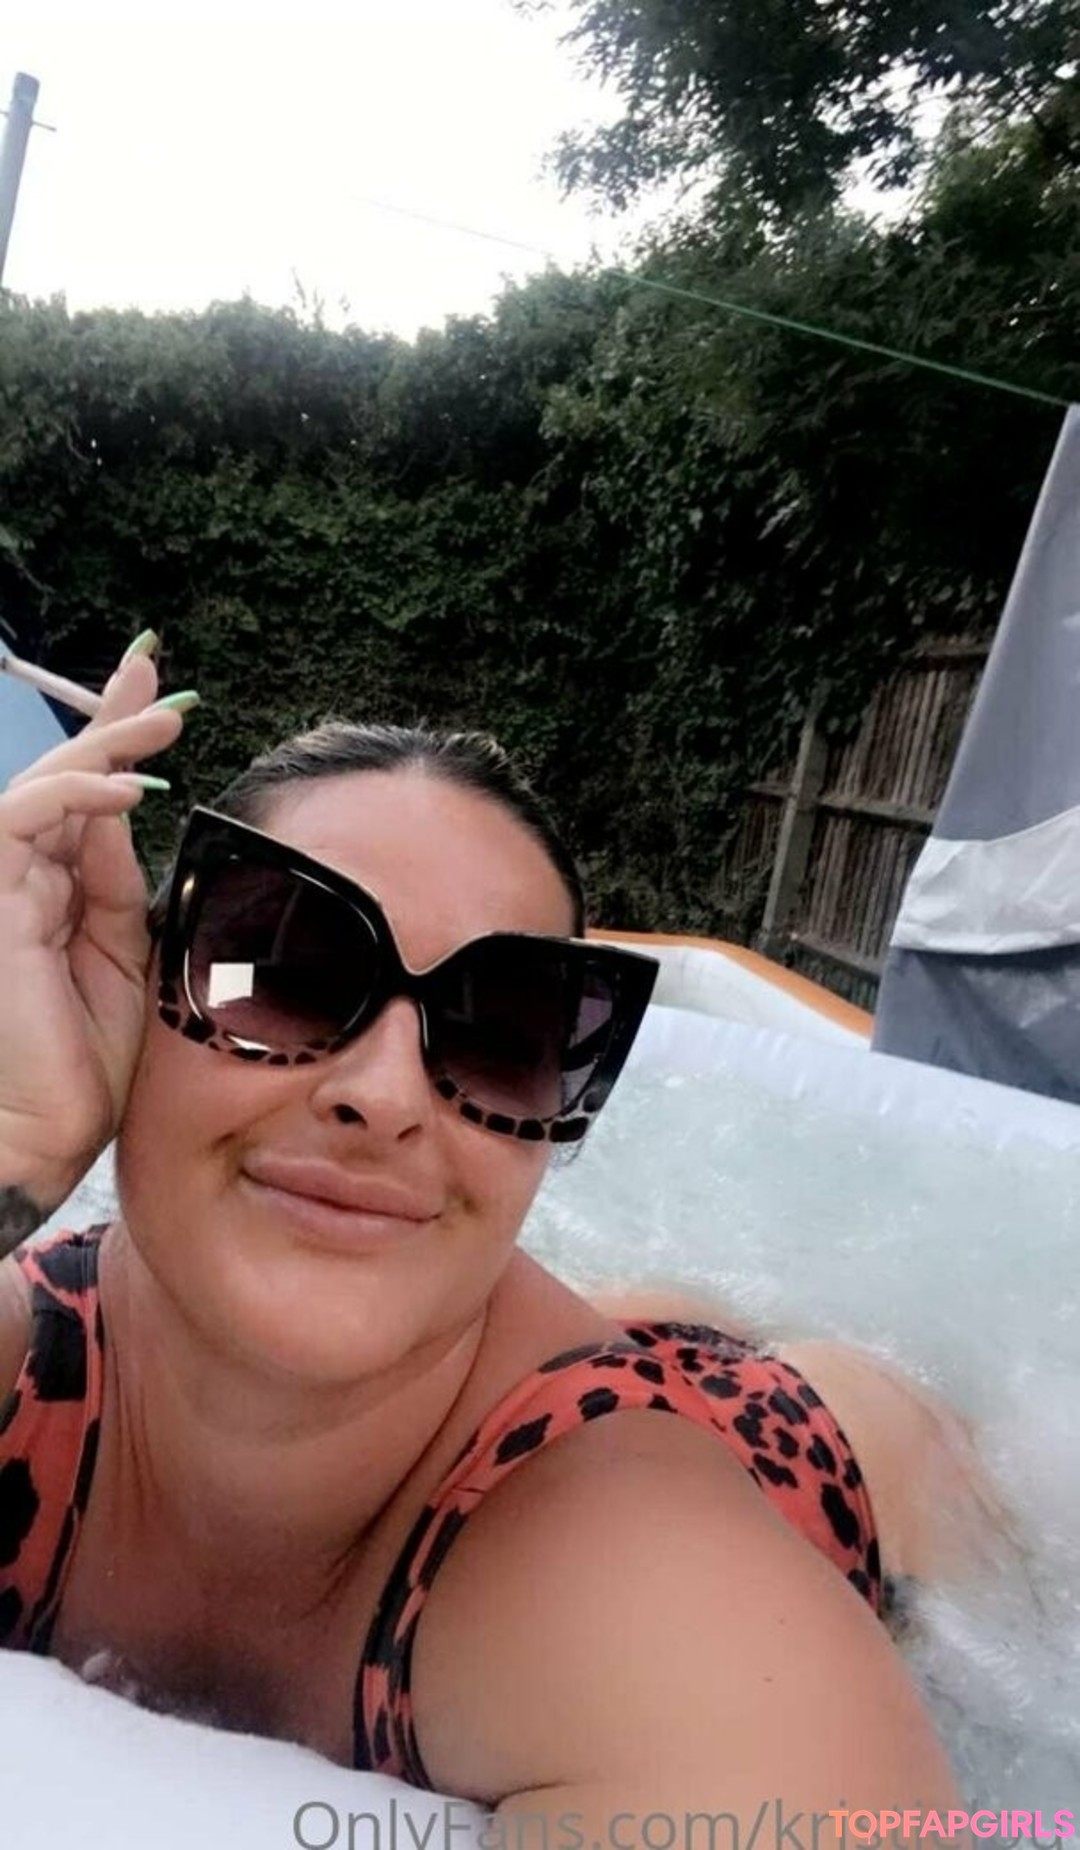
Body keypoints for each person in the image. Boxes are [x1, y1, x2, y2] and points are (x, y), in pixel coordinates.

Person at [0, 636, 969, 1834]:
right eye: (285, 969)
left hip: (809, 1444)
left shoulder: (629, 1565)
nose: (386, 1095)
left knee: (871, 1415)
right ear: (135, 982)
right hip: (526, 1361)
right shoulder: (28, 1366)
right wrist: (16, 1141)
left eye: (503, 1029)